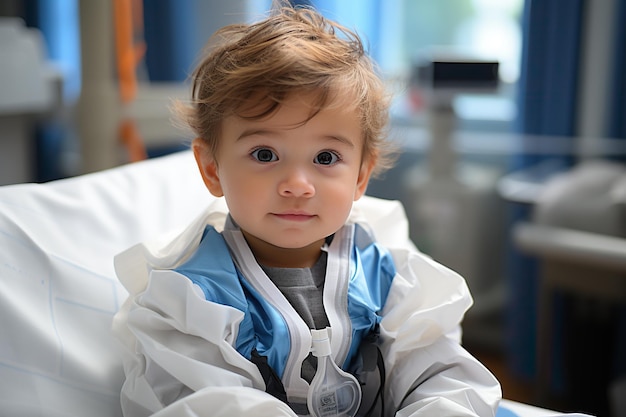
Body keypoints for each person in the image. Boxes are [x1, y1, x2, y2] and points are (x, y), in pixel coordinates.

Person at [112, 3, 501, 417]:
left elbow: (440, 373)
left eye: (326, 158)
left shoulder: (388, 279)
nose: (297, 184)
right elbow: (209, 403)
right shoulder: (193, 302)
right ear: (212, 169)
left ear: (360, 178)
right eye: (264, 154)